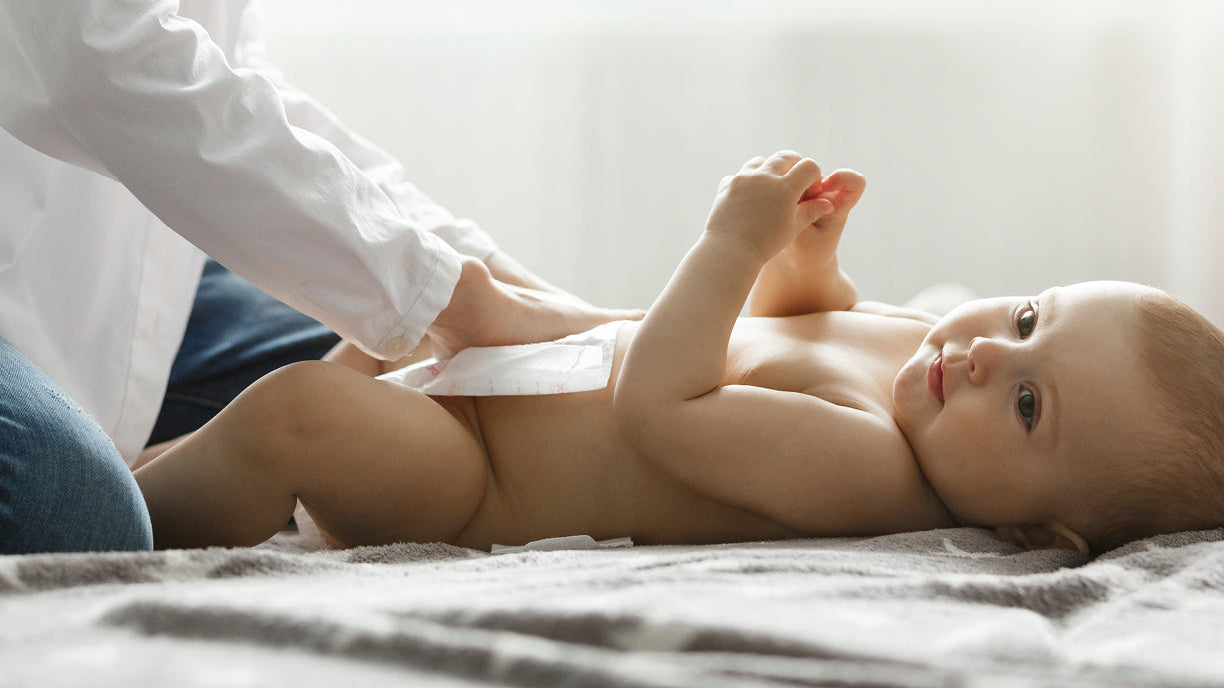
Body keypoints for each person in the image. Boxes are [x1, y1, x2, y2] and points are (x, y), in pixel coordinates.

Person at [133, 151, 1224, 556]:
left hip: (474, 477)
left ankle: (128, 519)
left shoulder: (873, 468)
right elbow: (804, 319)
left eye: (1030, 407)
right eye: (1028, 319)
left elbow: (666, 405)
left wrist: (729, 243)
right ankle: (154, 463)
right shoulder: (926, 364)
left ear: (1035, 526)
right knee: (405, 291)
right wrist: (804, 257)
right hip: (514, 371)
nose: (987, 356)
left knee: (297, 418)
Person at [0, 1, 637, 555]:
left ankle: (148, 463)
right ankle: (126, 480)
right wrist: (452, 297)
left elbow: (221, 77)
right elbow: (95, 59)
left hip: (114, 260)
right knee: (75, 511)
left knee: (389, 364)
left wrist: (492, 281)